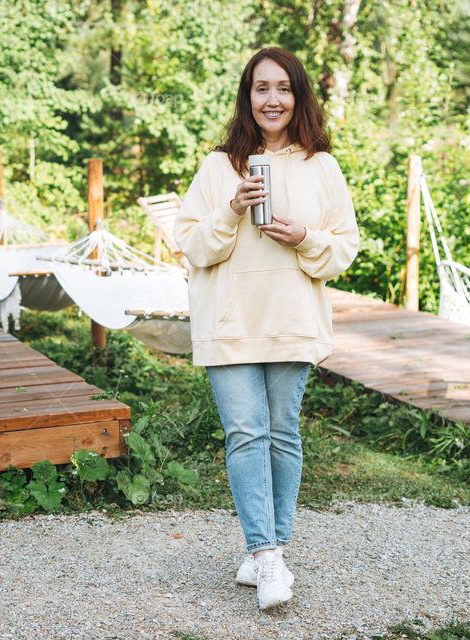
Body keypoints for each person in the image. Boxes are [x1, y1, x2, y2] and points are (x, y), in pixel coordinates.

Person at [173, 47, 360, 611]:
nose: (272, 99)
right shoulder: (216, 166)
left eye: (283, 88)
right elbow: (191, 246)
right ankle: (267, 552)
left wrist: (304, 237)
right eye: (261, 88)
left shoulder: (321, 166)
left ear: (298, 96)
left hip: (291, 322)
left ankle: (268, 554)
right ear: (247, 96)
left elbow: (344, 250)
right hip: (230, 324)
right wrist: (231, 209)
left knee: (282, 435)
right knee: (245, 434)